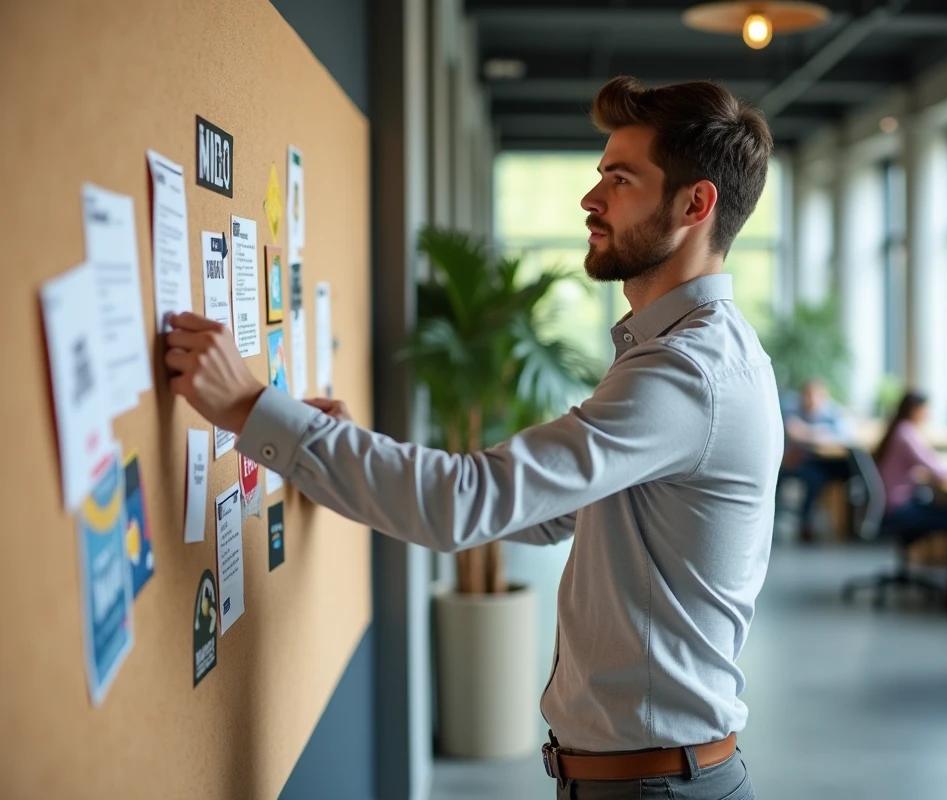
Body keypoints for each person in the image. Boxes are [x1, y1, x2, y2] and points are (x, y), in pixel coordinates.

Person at [164, 76, 778, 799]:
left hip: (656, 788)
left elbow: (468, 505)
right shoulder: (680, 353)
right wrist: (337, 449)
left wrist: (249, 408)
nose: (591, 198)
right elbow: (548, 512)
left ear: (695, 204)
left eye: (620, 178)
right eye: (600, 175)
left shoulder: (685, 373)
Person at [874, 391, 947, 607]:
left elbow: (927, 465)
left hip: (896, 503)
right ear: (915, 410)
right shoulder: (906, 434)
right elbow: (937, 470)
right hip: (900, 508)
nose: (927, 414)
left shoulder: (899, 430)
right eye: (925, 410)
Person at [779, 378, 851, 541]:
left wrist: (808, 432)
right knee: (811, 476)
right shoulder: (791, 407)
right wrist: (820, 432)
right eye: (807, 395)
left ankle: (840, 526)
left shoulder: (833, 411)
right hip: (798, 461)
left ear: (823, 396)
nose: (810, 399)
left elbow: (844, 437)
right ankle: (805, 524)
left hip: (828, 463)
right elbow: (794, 432)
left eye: (814, 395)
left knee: (826, 475)